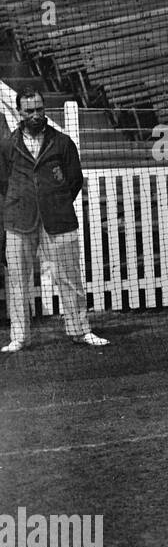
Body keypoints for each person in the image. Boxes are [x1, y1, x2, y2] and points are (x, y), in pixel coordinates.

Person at [0, 87, 108, 352]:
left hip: (59, 221)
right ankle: (19, 337)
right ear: (19, 112)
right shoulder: (7, 145)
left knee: (70, 276)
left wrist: (55, 202)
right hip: (19, 220)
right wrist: (21, 201)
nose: (36, 115)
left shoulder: (62, 142)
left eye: (40, 109)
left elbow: (74, 180)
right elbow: (3, 182)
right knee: (17, 279)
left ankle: (80, 330)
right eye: (30, 111)